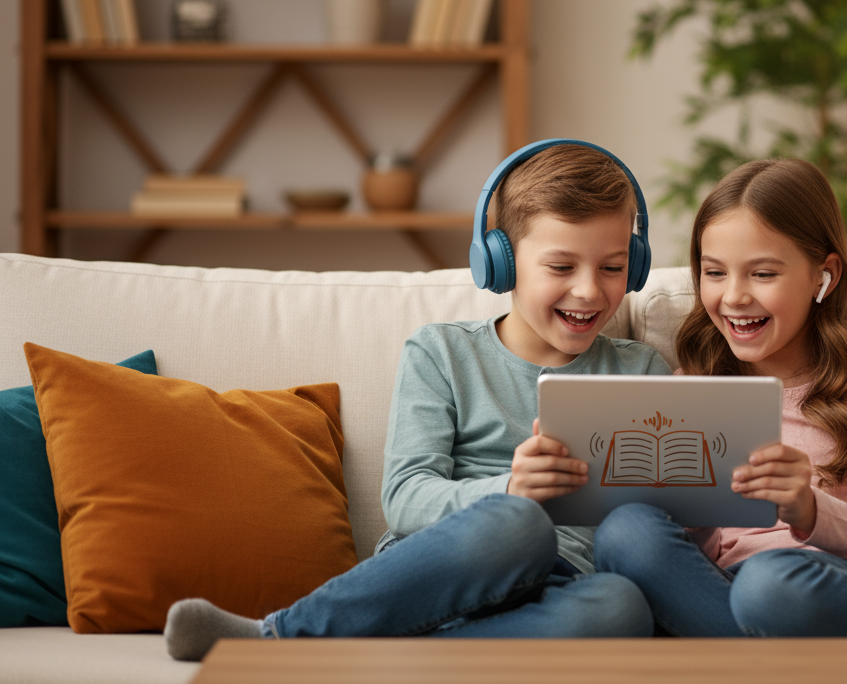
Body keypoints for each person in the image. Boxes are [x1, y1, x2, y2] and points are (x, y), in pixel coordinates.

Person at [164, 141, 669, 661]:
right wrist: (511, 489)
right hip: (443, 568)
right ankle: (280, 638)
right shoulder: (442, 352)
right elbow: (405, 497)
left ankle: (391, 655)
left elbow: (660, 512)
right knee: (520, 525)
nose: (589, 291)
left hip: (553, 591)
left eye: (612, 268)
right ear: (500, 262)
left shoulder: (643, 370)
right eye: (561, 267)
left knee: (621, 606)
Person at [593, 158, 847, 638]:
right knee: (626, 531)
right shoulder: (690, 387)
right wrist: (685, 513)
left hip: (831, 586)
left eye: (762, 274)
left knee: (770, 583)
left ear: (823, 276)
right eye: (714, 272)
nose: (734, 297)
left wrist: (808, 509)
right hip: (721, 594)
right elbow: (694, 554)